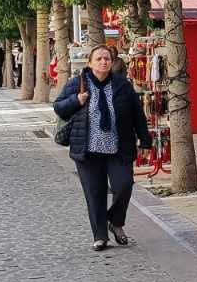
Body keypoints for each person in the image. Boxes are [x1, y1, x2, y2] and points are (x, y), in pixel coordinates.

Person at [54, 44, 151, 251]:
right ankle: (100, 236)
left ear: (112, 62)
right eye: (98, 59)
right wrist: (76, 100)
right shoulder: (77, 83)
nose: (103, 62)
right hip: (87, 150)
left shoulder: (122, 84)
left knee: (124, 185)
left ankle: (115, 222)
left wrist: (145, 140)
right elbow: (59, 107)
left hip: (118, 147)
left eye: (107, 58)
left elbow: (137, 114)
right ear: (90, 62)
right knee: (94, 193)